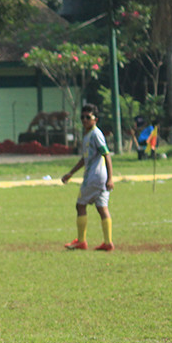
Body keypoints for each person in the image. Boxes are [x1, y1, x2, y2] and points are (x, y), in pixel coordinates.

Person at [61, 103, 114, 252]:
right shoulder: (88, 135)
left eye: (88, 117)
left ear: (95, 119)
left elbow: (107, 155)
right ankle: (108, 242)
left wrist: (111, 178)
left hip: (94, 177)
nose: (84, 120)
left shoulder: (95, 134)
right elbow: (85, 159)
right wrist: (71, 173)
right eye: (82, 117)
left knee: (80, 205)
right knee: (102, 207)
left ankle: (81, 241)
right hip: (100, 178)